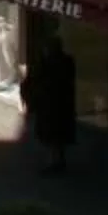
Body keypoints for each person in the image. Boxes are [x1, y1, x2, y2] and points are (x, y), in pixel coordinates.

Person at [22, 32, 78, 174]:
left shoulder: (48, 63)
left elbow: (37, 81)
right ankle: (57, 161)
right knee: (56, 137)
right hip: (59, 105)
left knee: (52, 136)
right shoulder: (65, 61)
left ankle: (55, 163)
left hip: (51, 106)